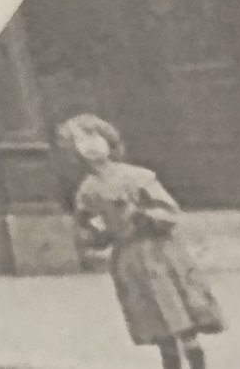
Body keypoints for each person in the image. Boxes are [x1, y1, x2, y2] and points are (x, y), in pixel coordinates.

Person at [57, 114, 222, 369]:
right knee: (155, 322)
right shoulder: (87, 191)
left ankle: (197, 363)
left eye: (94, 136)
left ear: (108, 139)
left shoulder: (139, 177)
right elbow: (90, 230)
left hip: (161, 255)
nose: (90, 144)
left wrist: (143, 215)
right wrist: (95, 231)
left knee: (180, 314)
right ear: (73, 150)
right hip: (130, 261)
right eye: (81, 140)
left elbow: (169, 212)